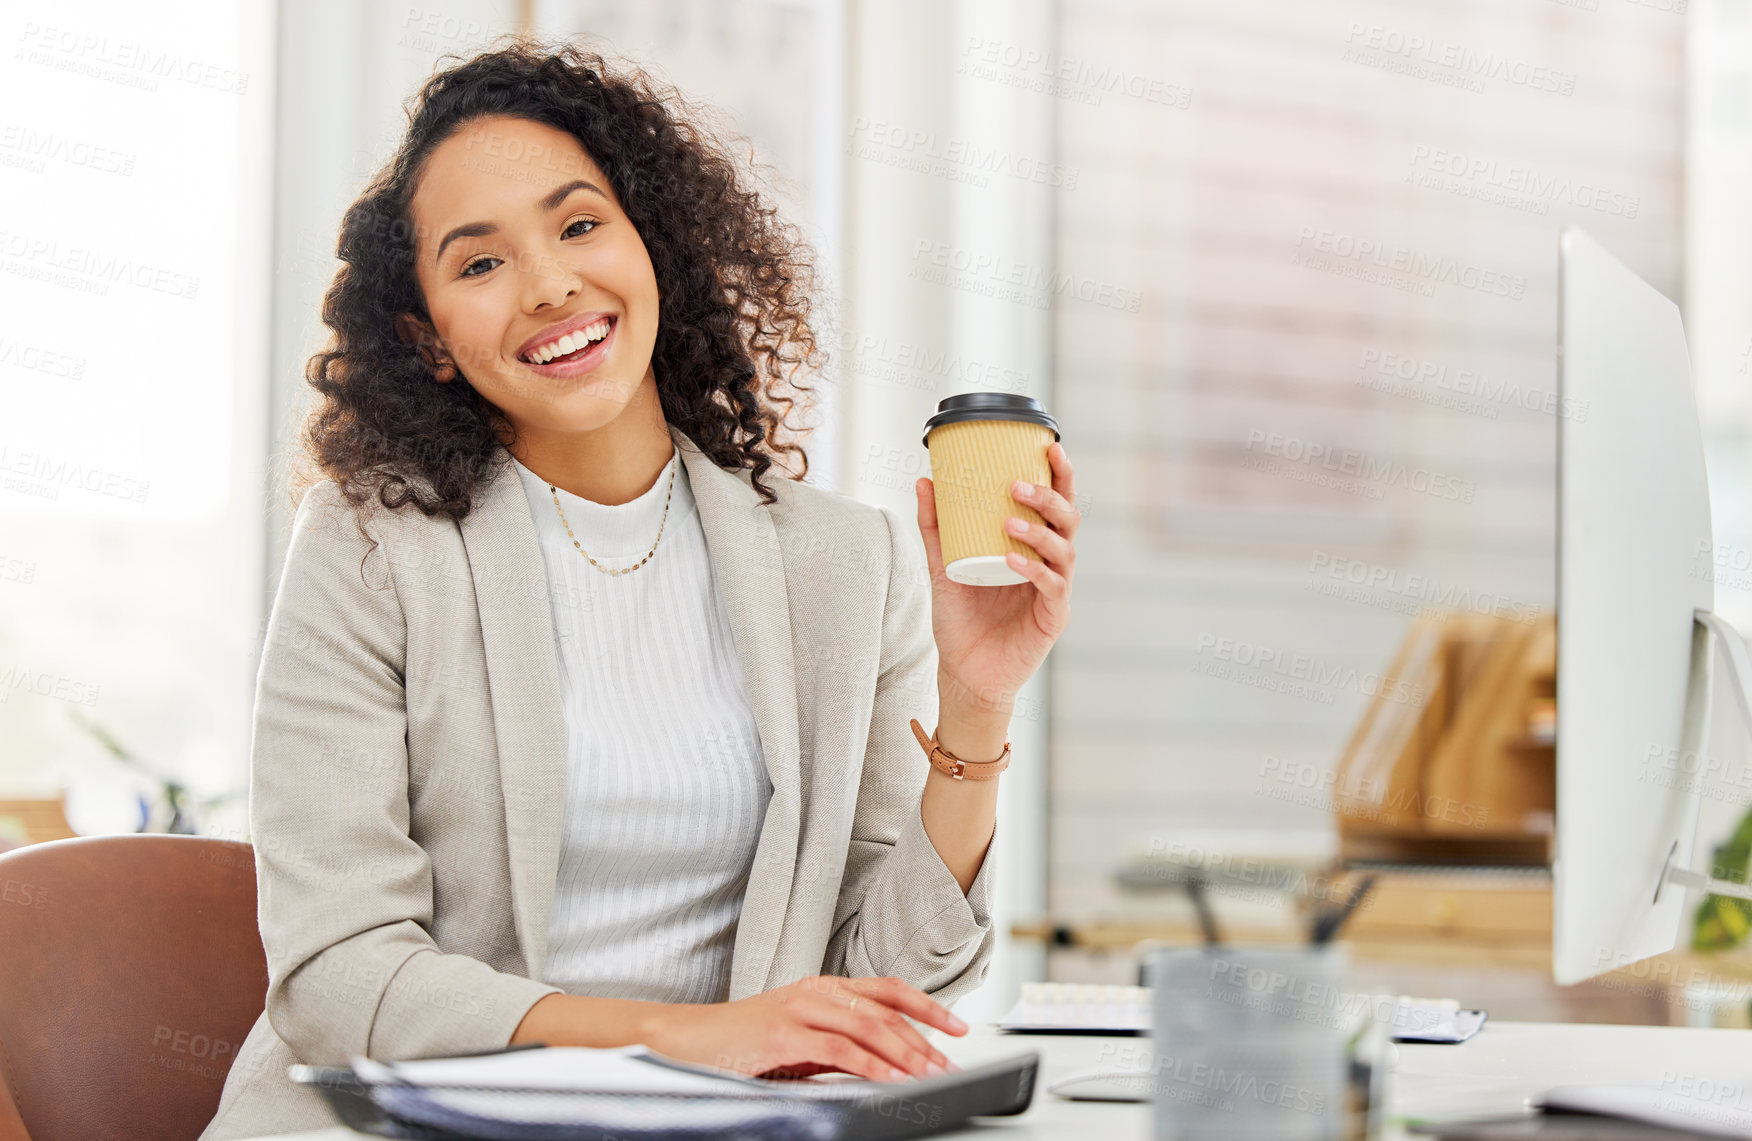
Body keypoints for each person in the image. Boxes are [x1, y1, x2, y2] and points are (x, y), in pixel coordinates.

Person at [200, 39, 1079, 1139]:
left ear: (650, 243)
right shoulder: (372, 549)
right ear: (428, 340)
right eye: (481, 264)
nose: (551, 283)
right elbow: (338, 978)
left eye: (579, 225)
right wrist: (691, 1039)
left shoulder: (845, 565)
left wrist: (979, 697)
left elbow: (884, 983)